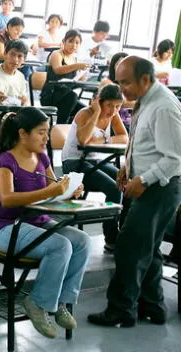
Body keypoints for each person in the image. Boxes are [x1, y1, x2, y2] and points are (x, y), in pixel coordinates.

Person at [88, 57, 181, 327]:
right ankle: (152, 307)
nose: (121, 88)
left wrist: (143, 179)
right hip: (149, 183)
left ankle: (121, 310)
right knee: (148, 250)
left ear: (145, 78)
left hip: (159, 188)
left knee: (128, 247)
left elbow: (175, 157)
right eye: (118, 82)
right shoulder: (146, 100)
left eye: (126, 82)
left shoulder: (163, 106)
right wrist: (127, 167)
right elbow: (143, 143)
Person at [0, 107, 89, 338]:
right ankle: (37, 302)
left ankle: (62, 301)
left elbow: (51, 191)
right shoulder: (6, 161)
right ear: (23, 134)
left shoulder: (41, 157)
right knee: (60, 246)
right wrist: (51, 190)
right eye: (41, 132)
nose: (46, 138)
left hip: (36, 221)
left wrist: (68, 190)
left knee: (82, 241)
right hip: (6, 228)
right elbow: (7, 199)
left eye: (47, 133)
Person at [61, 84, 128, 252]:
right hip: (74, 162)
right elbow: (83, 140)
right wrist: (97, 111)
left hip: (94, 160)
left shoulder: (113, 115)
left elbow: (124, 137)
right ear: (100, 102)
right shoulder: (85, 113)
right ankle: (111, 238)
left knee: (125, 183)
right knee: (115, 188)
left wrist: (103, 140)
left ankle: (124, 231)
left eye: (118, 106)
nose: (113, 110)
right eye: (109, 105)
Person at [40, 29, 89, 124]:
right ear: (64, 41)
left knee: (86, 111)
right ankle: (60, 127)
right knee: (72, 97)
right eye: (70, 41)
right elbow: (58, 70)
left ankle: (68, 129)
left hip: (66, 96)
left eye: (77, 43)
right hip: (51, 95)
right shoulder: (56, 54)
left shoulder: (74, 59)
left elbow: (78, 79)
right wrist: (77, 66)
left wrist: (84, 73)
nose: (74, 45)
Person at [100, 52, 133, 132]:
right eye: (119, 64)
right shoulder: (107, 82)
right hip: (111, 117)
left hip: (129, 118)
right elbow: (121, 103)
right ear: (113, 66)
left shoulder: (131, 83)